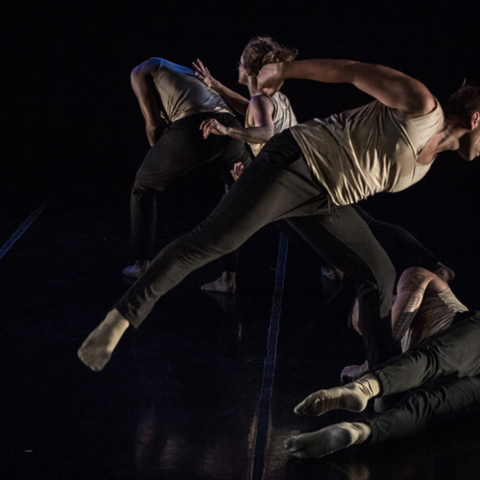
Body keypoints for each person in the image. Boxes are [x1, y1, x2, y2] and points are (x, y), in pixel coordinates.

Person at [78, 58, 480, 373]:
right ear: (477, 118)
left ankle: (383, 378)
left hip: (328, 198)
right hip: (296, 163)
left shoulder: (428, 163)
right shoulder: (422, 104)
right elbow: (352, 72)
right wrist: (285, 70)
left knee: (377, 274)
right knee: (214, 240)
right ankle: (118, 319)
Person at [284, 290, 476, 459]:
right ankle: (359, 432)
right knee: (429, 406)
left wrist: (366, 367)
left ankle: (363, 390)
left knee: (431, 363)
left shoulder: (416, 279)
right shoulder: (402, 346)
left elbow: (416, 291)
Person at [122, 57, 251, 278]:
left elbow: (154, 124)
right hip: (231, 128)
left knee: (143, 186)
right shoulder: (178, 71)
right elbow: (246, 108)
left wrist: (159, 155)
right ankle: (228, 278)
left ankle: (142, 264)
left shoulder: (140, 70)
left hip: (195, 124)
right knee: (237, 198)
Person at [192, 36, 298, 292]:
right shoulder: (271, 98)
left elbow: (265, 133)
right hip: (292, 174)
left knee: (228, 215)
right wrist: (215, 84)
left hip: (280, 178)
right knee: (299, 223)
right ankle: (332, 266)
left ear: (249, 71)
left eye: (241, 63)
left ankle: (228, 280)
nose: (237, 66)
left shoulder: (260, 101)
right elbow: (249, 110)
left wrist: (226, 130)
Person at [341, 265, 463, 382]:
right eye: (364, 329)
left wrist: (363, 368)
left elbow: (385, 340)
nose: (370, 322)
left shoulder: (412, 277)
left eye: (364, 317)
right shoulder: (405, 350)